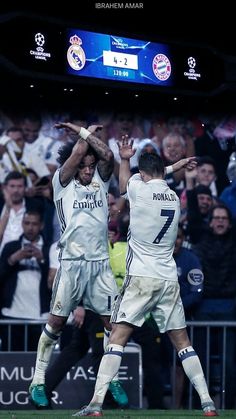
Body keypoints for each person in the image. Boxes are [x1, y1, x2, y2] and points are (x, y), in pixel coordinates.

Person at [73, 138, 218, 417]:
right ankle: (207, 402)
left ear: (143, 174)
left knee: (117, 336)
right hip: (167, 278)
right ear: (163, 173)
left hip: (141, 277)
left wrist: (125, 158)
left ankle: (95, 405)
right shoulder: (174, 197)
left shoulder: (139, 190)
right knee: (182, 343)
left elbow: (126, 180)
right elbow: (158, 174)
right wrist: (176, 164)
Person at [29, 122, 120, 408]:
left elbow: (109, 158)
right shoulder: (61, 183)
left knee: (113, 325)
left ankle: (112, 378)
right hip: (71, 264)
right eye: (84, 165)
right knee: (55, 323)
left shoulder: (100, 182)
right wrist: (82, 131)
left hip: (100, 266)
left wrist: (89, 138)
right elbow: (79, 150)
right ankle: (38, 382)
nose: (89, 169)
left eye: (90, 165)